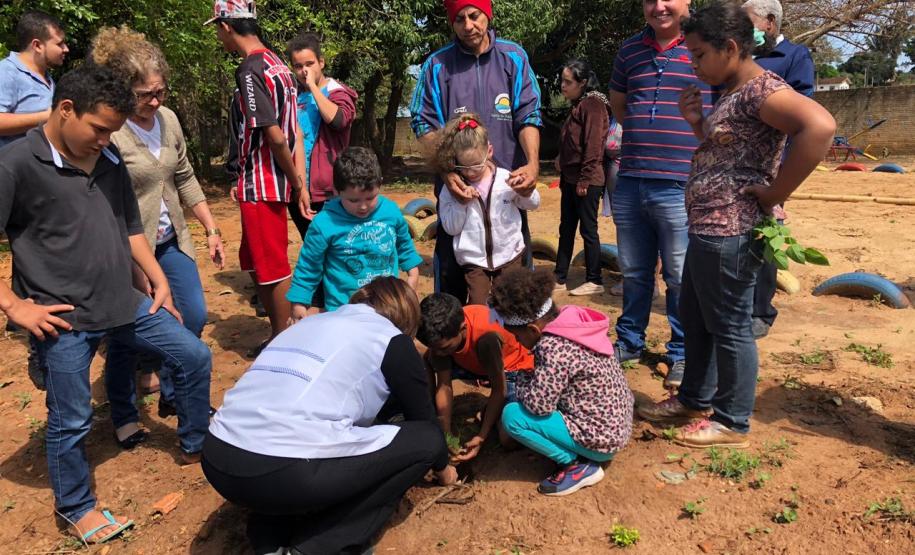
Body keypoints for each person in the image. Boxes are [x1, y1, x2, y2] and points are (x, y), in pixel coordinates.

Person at [0, 65, 213, 543]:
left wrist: (157, 280)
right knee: (71, 416)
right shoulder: (14, 165)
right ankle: (76, 505)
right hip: (64, 319)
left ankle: (197, 442)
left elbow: (130, 227)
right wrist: (15, 307)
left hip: (125, 300)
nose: (105, 139)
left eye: (112, 131)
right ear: (66, 109)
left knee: (195, 355)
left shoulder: (110, 157)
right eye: (99, 128)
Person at [637, 2, 835, 448]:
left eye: (699, 53)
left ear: (730, 47)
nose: (693, 63)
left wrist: (775, 193)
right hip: (709, 225)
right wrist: (696, 123)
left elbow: (820, 127)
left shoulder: (761, 90)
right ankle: (694, 399)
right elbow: (726, 148)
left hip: (733, 229)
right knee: (696, 315)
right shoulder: (731, 91)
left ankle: (731, 420)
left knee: (728, 324)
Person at [203, 277, 456, 555]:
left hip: (219, 456)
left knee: (293, 450)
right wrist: (444, 469)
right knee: (428, 439)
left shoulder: (310, 323)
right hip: (287, 470)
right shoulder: (390, 339)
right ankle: (318, 546)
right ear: (406, 316)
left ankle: (267, 535)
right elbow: (422, 420)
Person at [90, 26, 225, 418]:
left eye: (159, 91)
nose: (153, 100)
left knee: (194, 315)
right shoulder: (110, 132)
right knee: (132, 331)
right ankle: (123, 409)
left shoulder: (167, 119)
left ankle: (172, 389)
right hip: (128, 247)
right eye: (144, 94)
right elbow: (105, 205)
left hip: (171, 239)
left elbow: (182, 175)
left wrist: (211, 228)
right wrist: (134, 268)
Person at [608, 0, 714, 389]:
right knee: (635, 272)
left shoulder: (705, 46)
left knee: (680, 276)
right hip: (632, 178)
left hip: (680, 182)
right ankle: (630, 342)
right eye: (649, 0)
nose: (658, 7)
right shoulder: (629, 51)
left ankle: (683, 352)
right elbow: (620, 104)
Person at [410, 0, 542, 303]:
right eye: (459, 19)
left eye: (474, 16)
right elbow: (423, 121)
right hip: (456, 195)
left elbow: (529, 114)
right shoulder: (437, 66)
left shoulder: (514, 58)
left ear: (488, 14)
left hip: (506, 194)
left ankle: (515, 345)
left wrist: (533, 165)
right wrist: (446, 172)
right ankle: (455, 348)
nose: (468, 26)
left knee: (517, 290)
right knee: (454, 289)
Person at [208, 0, 308, 350]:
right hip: (269, 181)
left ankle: (286, 341)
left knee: (272, 266)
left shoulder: (251, 70)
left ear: (226, 26)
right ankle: (280, 333)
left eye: (218, 31)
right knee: (254, 261)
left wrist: (296, 181)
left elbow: (276, 135)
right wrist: (296, 179)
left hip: (263, 182)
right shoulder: (278, 65)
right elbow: (293, 129)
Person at [492, 268, 634, 496]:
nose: (518, 343)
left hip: (600, 440)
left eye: (518, 337)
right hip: (615, 425)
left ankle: (577, 465)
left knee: (513, 416)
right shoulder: (570, 322)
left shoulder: (553, 347)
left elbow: (539, 406)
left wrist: (520, 383)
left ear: (532, 329)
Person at [742, 0, 815, 339]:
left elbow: (803, 116)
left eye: (749, 22)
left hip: (770, 170)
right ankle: (737, 305)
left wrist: (782, 178)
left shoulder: (794, 57)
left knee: (764, 238)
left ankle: (761, 311)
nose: (744, 30)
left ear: (769, 22)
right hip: (734, 168)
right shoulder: (741, 57)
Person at [287, 147, 422, 317]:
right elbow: (308, 266)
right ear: (337, 190)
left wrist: (413, 273)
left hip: (386, 307)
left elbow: (404, 244)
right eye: (353, 200)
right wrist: (299, 303)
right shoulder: (324, 223)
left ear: (379, 184)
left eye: (370, 197)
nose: (363, 206)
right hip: (343, 310)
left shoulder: (391, 211)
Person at [286, 31, 358, 313]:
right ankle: (321, 311)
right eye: (298, 66)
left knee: (335, 252)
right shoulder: (296, 99)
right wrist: (298, 187)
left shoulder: (338, 92)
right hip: (302, 188)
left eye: (309, 64)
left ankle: (340, 308)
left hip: (330, 190)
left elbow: (338, 120)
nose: (304, 71)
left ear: (321, 62)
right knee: (314, 251)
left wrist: (315, 88)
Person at [435, 113, 541, 304]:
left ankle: (510, 334)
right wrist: (461, 202)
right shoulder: (452, 188)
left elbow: (533, 204)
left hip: (510, 255)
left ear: (489, 151)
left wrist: (525, 191)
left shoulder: (505, 178)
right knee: (478, 306)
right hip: (474, 262)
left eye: (476, 165)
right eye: (463, 166)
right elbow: (451, 228)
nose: (470, 172)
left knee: (512, 303)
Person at [417, 293, 534, 460]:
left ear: (463, 328)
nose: (438, 353)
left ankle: (491, 413)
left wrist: (481, 436)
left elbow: (499, 389)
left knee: (508, 439)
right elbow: (444, 386)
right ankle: (428, 413)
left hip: (512, 369)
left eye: (443, 348)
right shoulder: (441, 336)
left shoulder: (486, 338)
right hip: (473, 363)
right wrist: (446, 430)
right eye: (434, 347)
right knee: (424, 358)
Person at [553, 60, 610, 296]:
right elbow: (572, 141)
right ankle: (559, 277)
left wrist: (585, 180)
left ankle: (594, 279)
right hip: (571, 179)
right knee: (566, 228)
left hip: (586, 181)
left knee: (588, 230)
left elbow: (594, 146)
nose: (563, 86)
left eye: (568, 82)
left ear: (582, 82)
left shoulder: (594, 105)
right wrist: (560, 158)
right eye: (562, 81)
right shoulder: (578, 105)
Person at [0, 10, 68, 148]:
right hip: (13, 167)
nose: (65, 49)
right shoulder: (6, 72)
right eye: (59, 44)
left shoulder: (47, 78)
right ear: (37, 45)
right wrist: (49, 116)